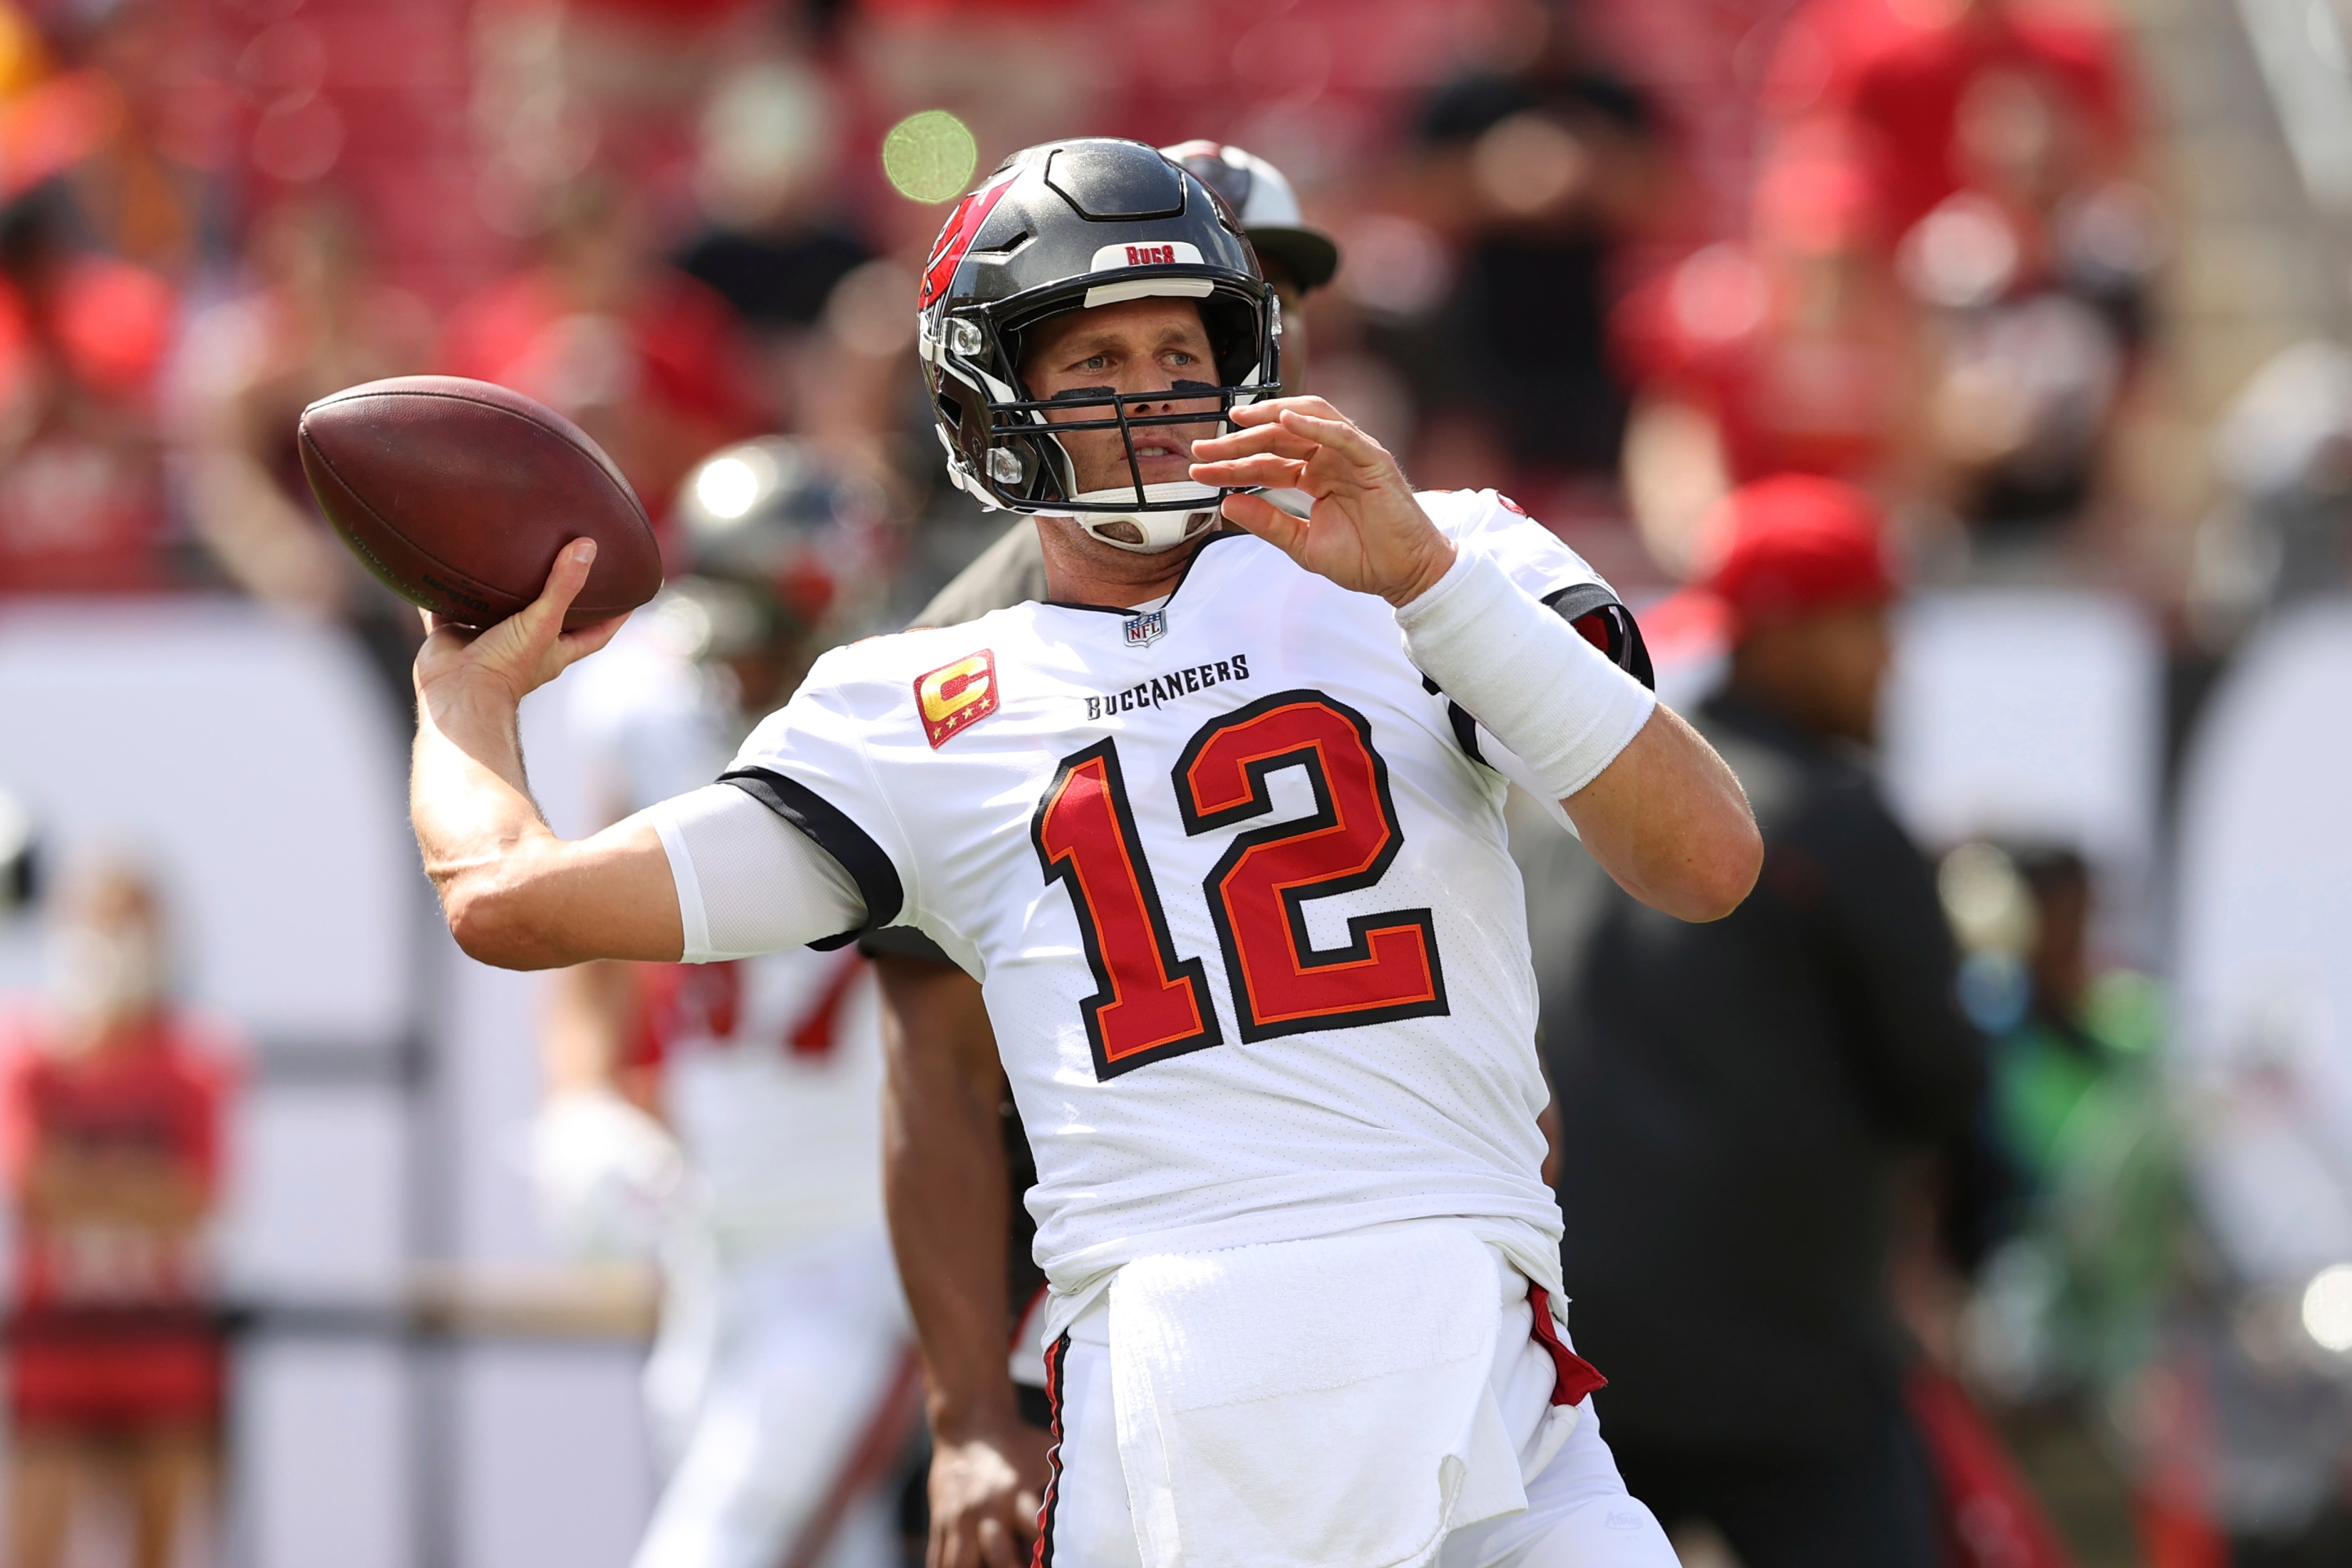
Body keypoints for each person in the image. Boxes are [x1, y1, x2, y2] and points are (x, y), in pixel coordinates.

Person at [408, 138, 1760, 1568]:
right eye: (1097, 356)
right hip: (1194, 1368)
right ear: (995, 393)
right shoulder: (918, 703)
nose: (1155, 396)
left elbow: (1704, 859)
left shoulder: (1435, 559)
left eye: (1179, 345)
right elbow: (512, 902)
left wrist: (1429, 580)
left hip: (1477, 1359)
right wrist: (463, 691)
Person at [1536, 473, 1985, 1567]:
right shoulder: (1833, 818)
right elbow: (1940, 1078)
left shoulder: (1559, 810)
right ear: (1781, 634)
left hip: (1574, 1356)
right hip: (1791, 1371)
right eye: (1868, 622)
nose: (1891, 659)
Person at [530, 436, 909, 1568]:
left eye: (760, 647)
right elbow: (588, 946)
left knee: (720, 1548)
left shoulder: (913, 732)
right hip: (715, 1233)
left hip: (863, 1247)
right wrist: (582, 1102)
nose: (733, 678)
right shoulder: (648, 704)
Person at [0, 862, 234, 1568]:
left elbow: (197, 1200)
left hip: (166, 1356)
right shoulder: (31, 1054)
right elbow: (31, 1185)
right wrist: (141, 1185)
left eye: (133, 920)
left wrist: (88, 1181)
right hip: (56, 1352)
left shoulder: (198, 1061)